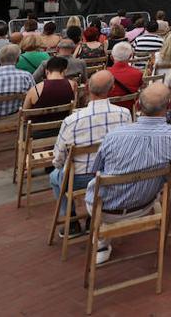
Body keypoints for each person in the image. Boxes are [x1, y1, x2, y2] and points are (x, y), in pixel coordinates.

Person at [85, 83, 171, 264]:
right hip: (144, 205)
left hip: (104, 209)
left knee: (98, 184)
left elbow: (97, 170)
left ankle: (102, 241)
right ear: (169, 107)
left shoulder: (114, 135)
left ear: (138, 106)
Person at [49, 71, 131, 235]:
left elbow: (58, 159)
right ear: (112, 88)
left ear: (87, 88)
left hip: (79, 178)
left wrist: (60, 166)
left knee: (54, 176)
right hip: (112, 174)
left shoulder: (72, 120)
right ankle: (93, 216)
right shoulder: (125, 114)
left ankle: (71, 221)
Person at [22, 55, 78, 124]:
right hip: (63, 129)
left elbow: (25, 116)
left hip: (37, 132)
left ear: (46, 71)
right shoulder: (73, 85)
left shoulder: (35, 89)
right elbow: (73, 107)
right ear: (65, 70)